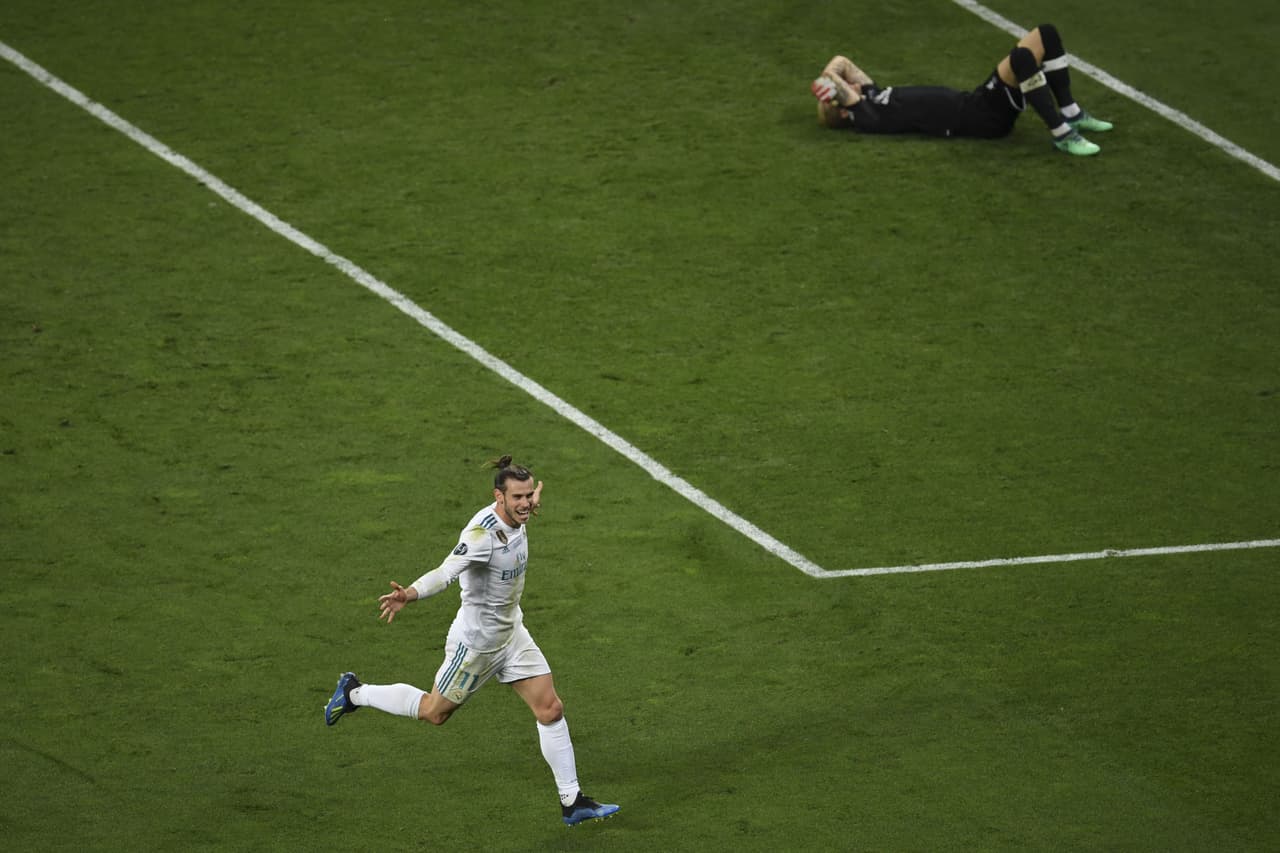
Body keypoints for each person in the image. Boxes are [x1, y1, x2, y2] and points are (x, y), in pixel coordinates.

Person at [323, 455, 620, 828]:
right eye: (518, 497)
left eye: (529, 495)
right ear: (498, 497)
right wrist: (409, 594)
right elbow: (445, 572)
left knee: (550, 709)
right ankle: (355, 693)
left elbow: (522, 510)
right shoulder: (481, 536)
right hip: (476, 647)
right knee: (434, 713)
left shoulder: (519, 516)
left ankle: (572, 802)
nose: (526, 503)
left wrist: (527, 504)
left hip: (512, 635)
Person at [811, 23, 1113, 156]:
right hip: (981, 118)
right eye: (843, 91)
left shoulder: (872, 95)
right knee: (1022, 58)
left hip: (976, 102)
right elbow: (837, 81)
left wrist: (827, 78)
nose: (851, 83)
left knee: (1045, 34)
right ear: (843, 109)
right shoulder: (867, 116)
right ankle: (1062, 134)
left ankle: (1071, 113)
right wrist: (826, 85)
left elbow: (842, 61)